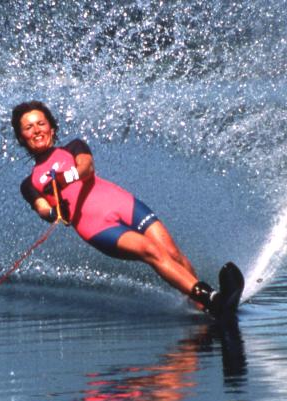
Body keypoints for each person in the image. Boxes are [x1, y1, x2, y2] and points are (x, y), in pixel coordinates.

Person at [11, 100, 223, 315]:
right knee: (150, 250)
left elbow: (86, 168)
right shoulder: (29, 184)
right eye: (29, 127)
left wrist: (65, 178)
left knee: (172, 252)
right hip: (96, 226)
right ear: (21, 138)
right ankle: (208, 296)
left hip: (123, 204)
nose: (37, 130)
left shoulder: (74, 147)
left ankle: (202, 305)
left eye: (41, 124)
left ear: (52, 128)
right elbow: (42, 209)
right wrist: (54, 212)